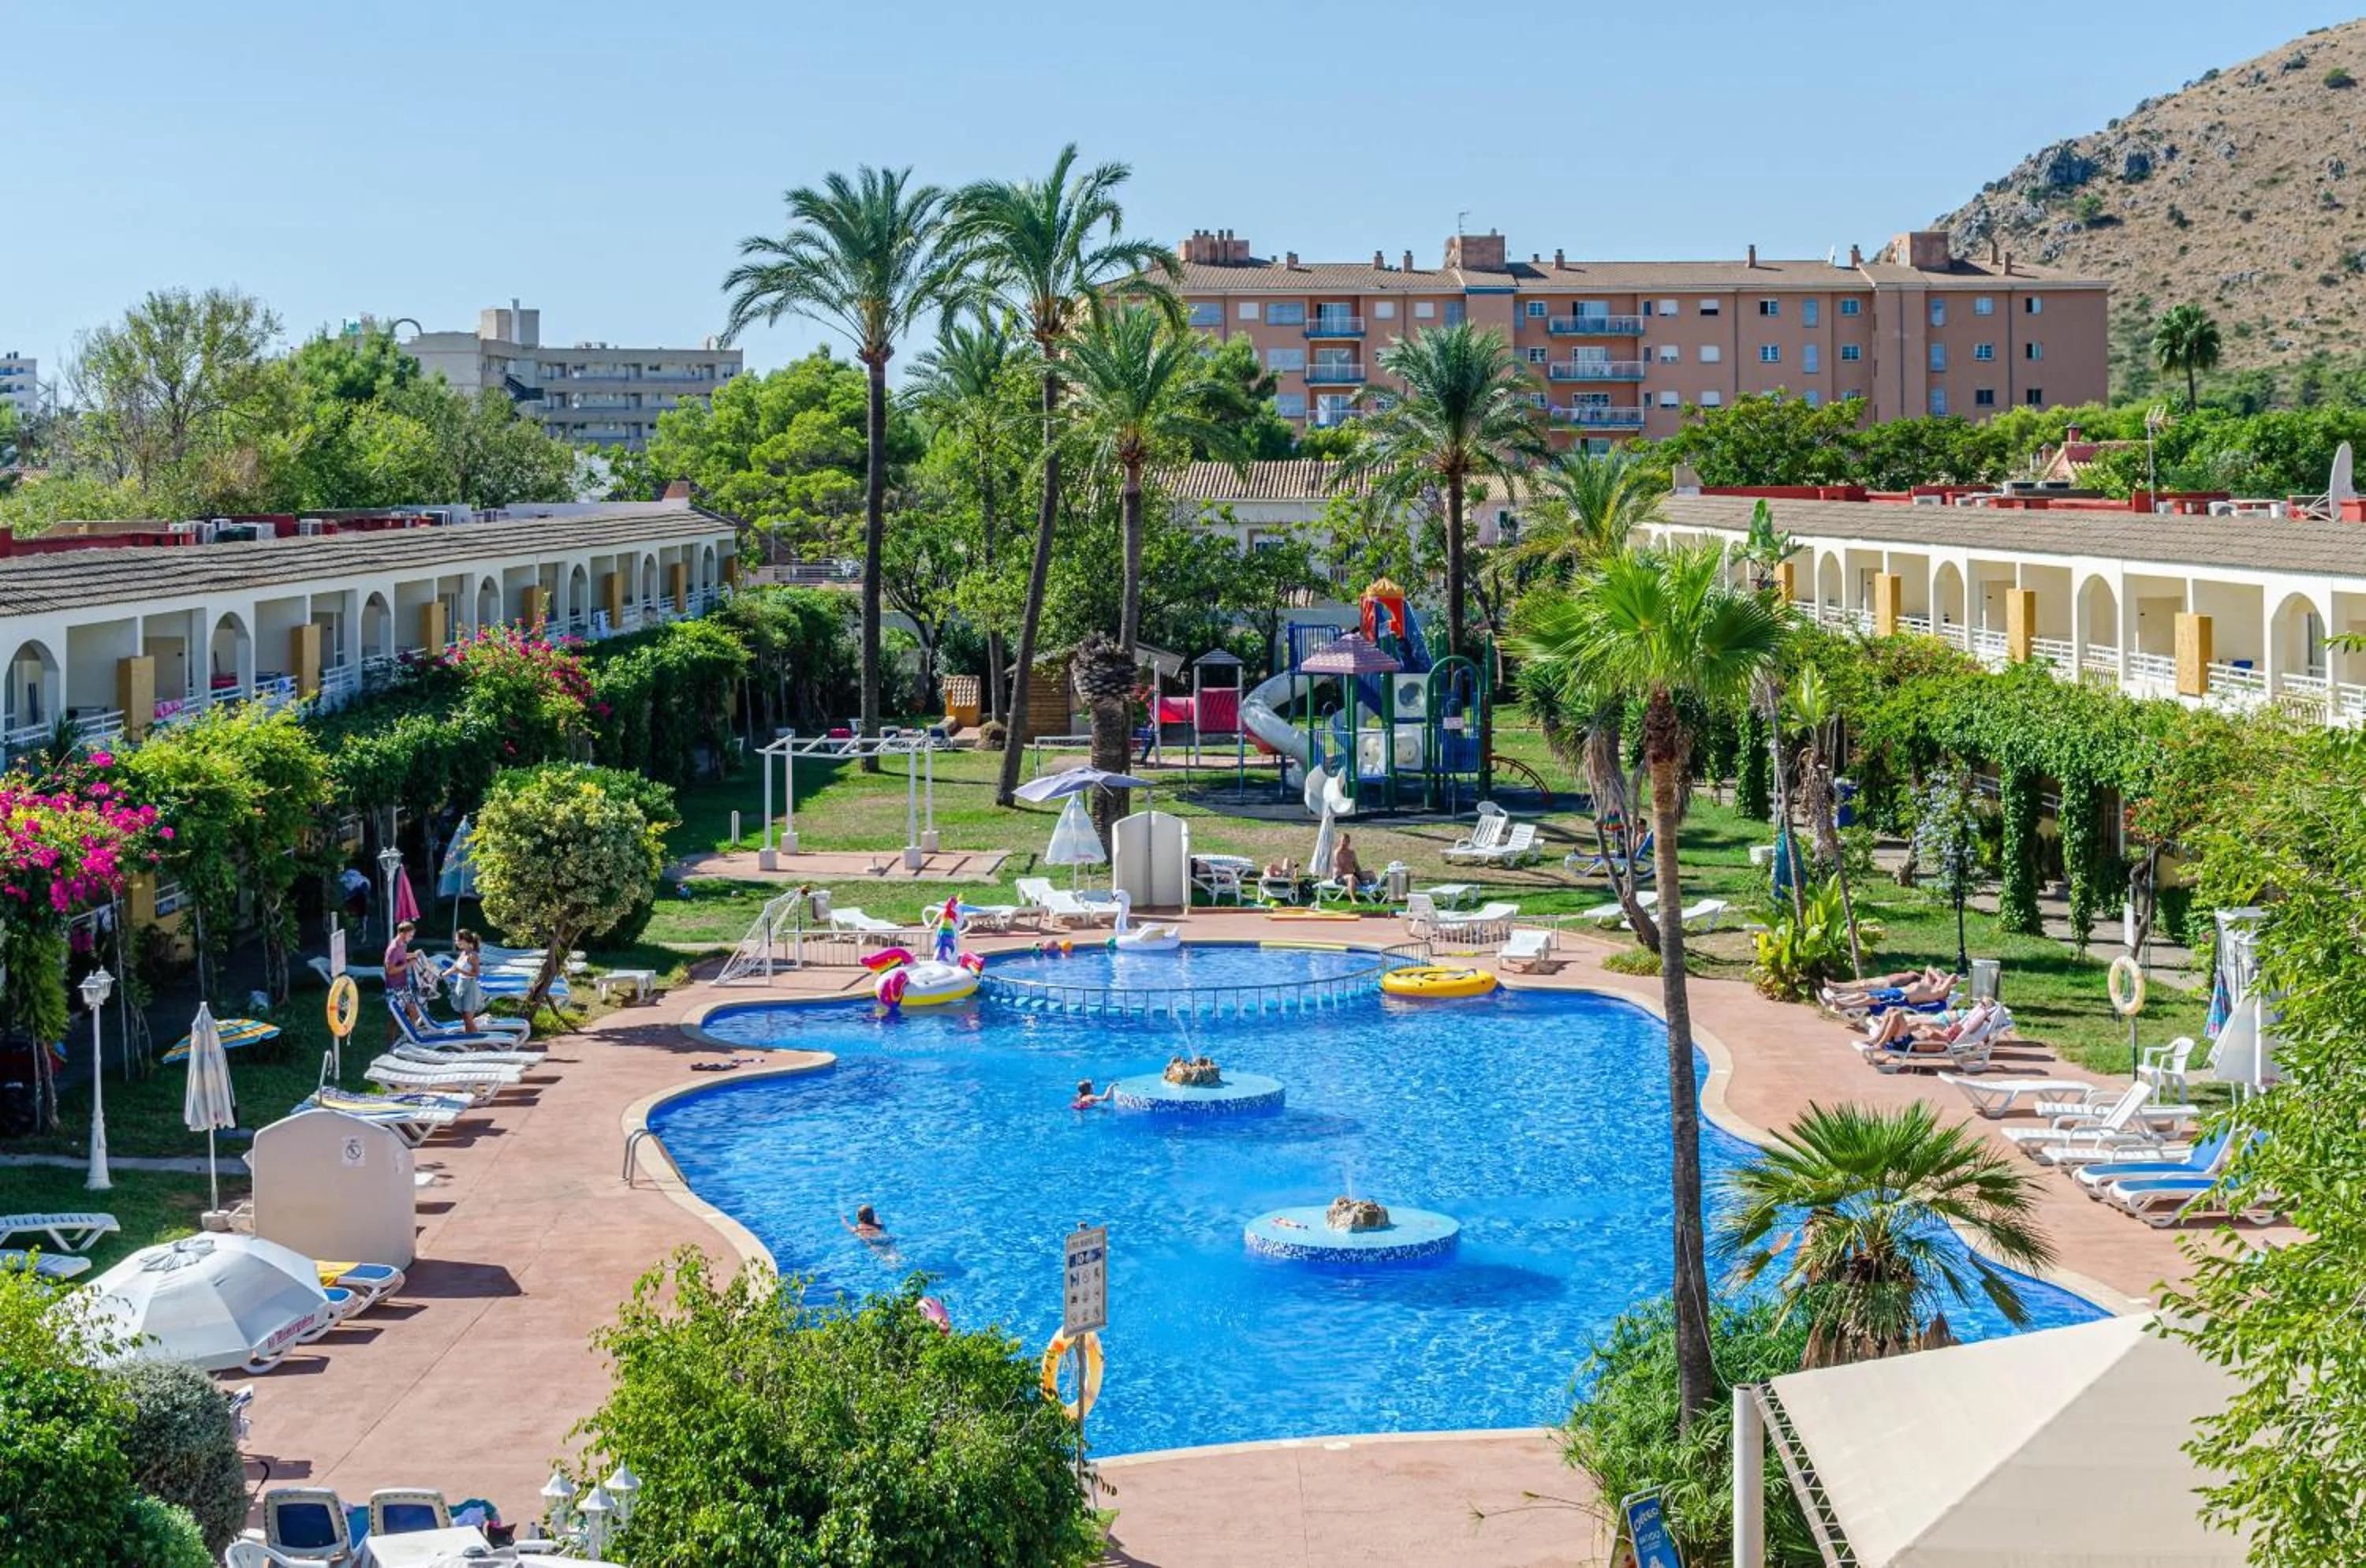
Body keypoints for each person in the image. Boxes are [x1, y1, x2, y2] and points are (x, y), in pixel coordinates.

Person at [448, 928, 487, 1035]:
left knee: (468, 1019)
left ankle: (478, 1041)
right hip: (461, 986)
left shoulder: (473, 955)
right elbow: (454, 968)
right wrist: (441, 975)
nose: (456, 943)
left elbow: (476, 974)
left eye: (457, 940)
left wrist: (460, 971)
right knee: (465, 1019)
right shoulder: (463, 953)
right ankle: (469, 1040)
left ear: (465, 940)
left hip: (470, 987)